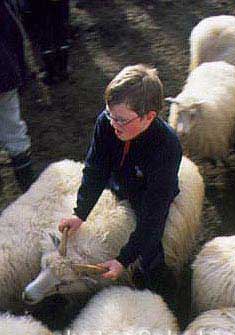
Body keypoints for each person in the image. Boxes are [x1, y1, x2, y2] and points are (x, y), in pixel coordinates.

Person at [59, 64, 183, 312]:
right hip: (118, 183)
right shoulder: (106, 124)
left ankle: (168, 299)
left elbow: (153, 214)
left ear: (149, 116)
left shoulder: (166, 147)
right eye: (109, 114)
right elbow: (96, 167)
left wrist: (123, 260)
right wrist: (80, 212)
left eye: (122, 119)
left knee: (151, 249)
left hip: (148, 192)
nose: (114, 124)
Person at [0, 0, 35, 191]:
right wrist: (20, 72)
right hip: (4, 75)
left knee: (14, 133)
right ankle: (30, 192)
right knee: (14, 134)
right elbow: (14, 34)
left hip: (4, 75)